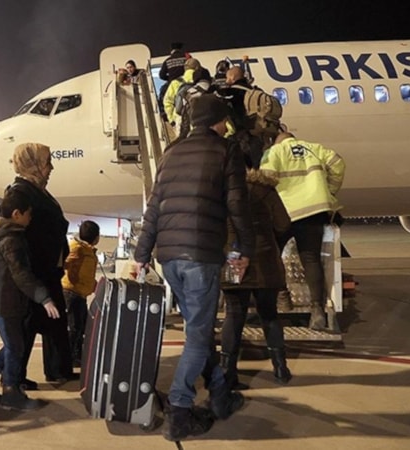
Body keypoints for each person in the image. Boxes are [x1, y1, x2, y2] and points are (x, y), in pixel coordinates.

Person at [134, 94, 254, 441]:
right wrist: (244, 248)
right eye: (224, 120)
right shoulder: (225, 150)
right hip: (200, 255)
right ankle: (180, 411)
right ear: (218, 121)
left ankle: (219, 396)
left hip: (169, 256)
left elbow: (154, 208)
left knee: (198, 333)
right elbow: (237, 203)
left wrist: (142, 254)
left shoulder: (170, 152)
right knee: (198, 338)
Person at [0, 189, 61, 411]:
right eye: (28, 214)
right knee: (15, 346)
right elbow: (22, 275)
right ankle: (10, 390)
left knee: (14, 344)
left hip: (0, 299)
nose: (30, 219)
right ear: (17, 214)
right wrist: (45, 299)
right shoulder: (11, 240)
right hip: (6, 300)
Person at [259, 132, 346, 331]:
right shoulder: (315, 148)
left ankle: (282, 296)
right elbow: (338, 164)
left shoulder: (274, 152)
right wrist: (328, 190)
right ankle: (317, 311)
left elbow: (265, 179)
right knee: (311, 259)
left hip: (285, 211)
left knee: (272, 255)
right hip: (314, 211)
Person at [5, 142, 74, 387]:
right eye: (46, 162)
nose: (50, 167)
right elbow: (10, 231)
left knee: (55, 321)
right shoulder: (19, 192)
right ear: (32, 164)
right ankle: (12, 377)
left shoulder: (37, 190)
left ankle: (58, 369)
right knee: (29, 325)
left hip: (48, 268)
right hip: (35, 271)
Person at [220, 165, 293, 390]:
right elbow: (284, 225)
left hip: (233, 258)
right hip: (265, 260)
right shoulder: (265, 191)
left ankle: (228, 373)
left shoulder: (222, 190)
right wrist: (272, 244)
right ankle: (280, 368)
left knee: (233, 316)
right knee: (269, 314)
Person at [61, 220, 100, 367]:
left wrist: (93, 285)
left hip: (80, 294)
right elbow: (65, 263)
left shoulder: (87, 250)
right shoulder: (77, 249)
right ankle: (70, 357)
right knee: (74, 326)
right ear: (96, 237)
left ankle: (77, 354)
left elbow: (86, 272)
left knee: (81, 326)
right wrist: (72, 277)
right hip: (72, 293)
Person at [158, 42, 188, 121]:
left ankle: (165, 115)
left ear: (172, 51)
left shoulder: (167, 60)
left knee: (164, 96)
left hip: (172, 84)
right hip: (186, 83)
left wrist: (169, 78)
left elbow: (161, 75)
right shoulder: (186, 58)